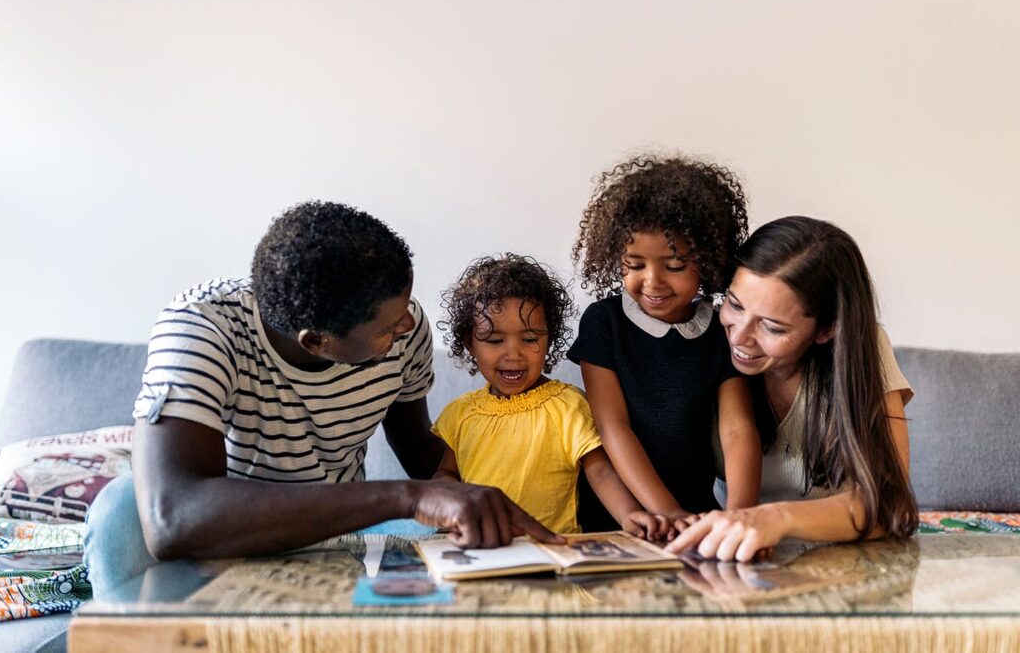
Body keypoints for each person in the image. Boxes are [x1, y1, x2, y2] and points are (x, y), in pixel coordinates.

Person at [85, 202, 558, 593]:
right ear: (317, 342)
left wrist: (488, 490)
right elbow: (176, 518)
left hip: (343, 529)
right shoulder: (201, 328)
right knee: (118, 511)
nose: (409, 327)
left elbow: (415, 442)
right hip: (224, 533)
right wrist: (408, 496)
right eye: (388, 329)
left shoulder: (402, 326)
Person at [666, 216, 918, 562]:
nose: (738, 337)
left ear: (826, 330)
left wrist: (773, 518)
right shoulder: (702, 341)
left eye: (772, 327)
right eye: (735, 304)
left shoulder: (863, 348)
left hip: (843, 566)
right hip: (738, 562)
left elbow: (890, 505)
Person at [567, 153, 761, 530]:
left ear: (706, 261)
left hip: (696, 513)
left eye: (674, 266)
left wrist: (740, 516)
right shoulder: (604, 323)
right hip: (621, 516)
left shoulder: (721, 328)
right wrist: (666, 512)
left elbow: (737, 429)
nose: (653, 282)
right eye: (635, 265)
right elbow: (612, 428)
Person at [432, 254, 671, 539]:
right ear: (470, 344)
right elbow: (447, 473)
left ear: (550, 338)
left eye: (530, 339)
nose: (513, 354)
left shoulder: (567, 405)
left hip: (553, 550)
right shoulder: (461, 413)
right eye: (495, 340)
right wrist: (447, 499)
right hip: (483, 549)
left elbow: (601, 473)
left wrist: (629, 515)